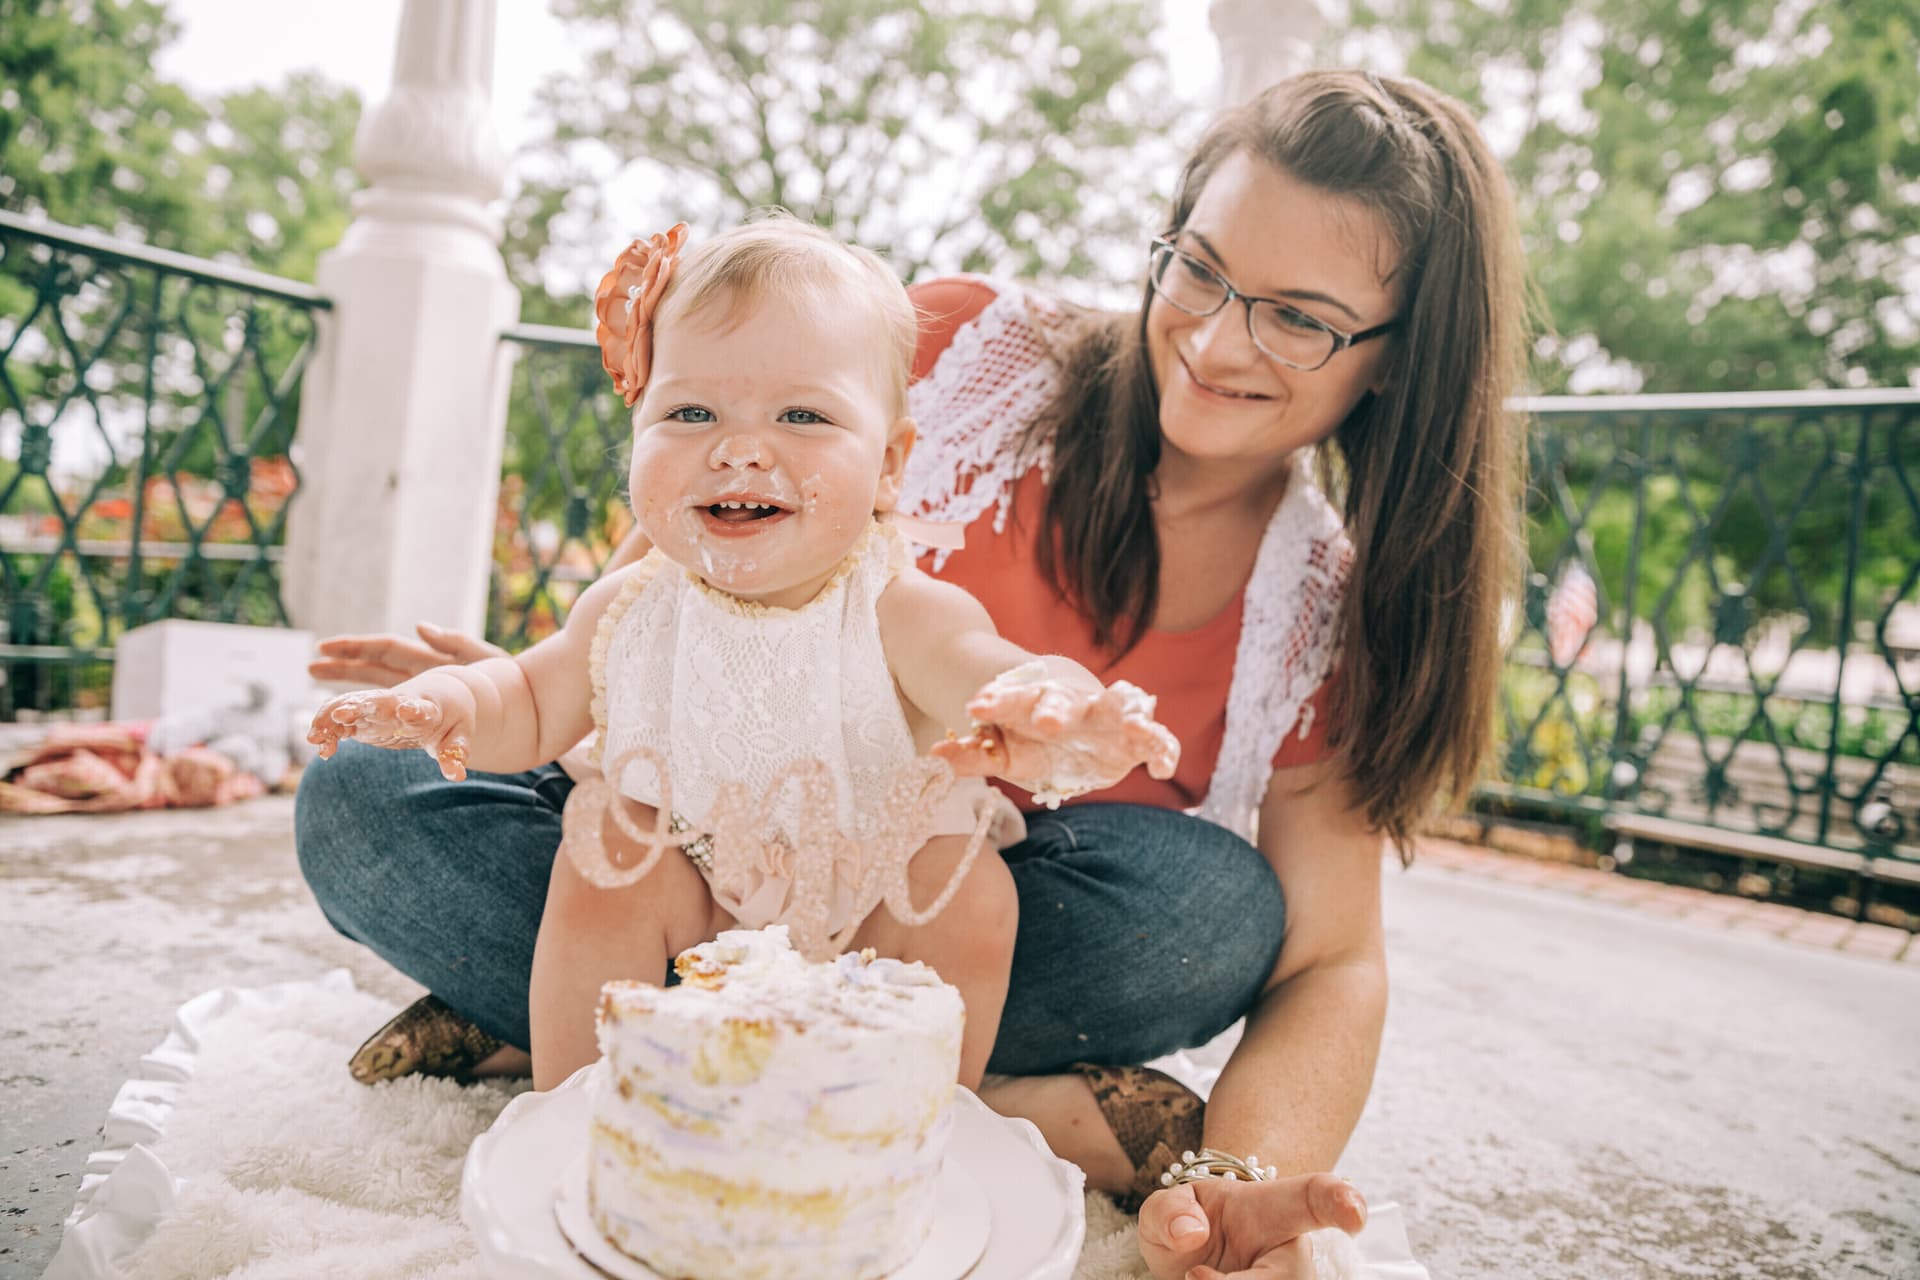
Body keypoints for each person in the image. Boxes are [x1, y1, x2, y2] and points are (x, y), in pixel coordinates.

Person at [297, 69, 1527, 1280]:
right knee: (364, 792)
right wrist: (495, 700)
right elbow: (663, 595)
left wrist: (1234, 1189)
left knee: (1210, 910)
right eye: (1199, 268)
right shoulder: (956, 347)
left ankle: (624, 1034)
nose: (1213, 339)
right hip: (678, 852)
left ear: (1399, 358)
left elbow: (1331, 961)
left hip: (935, 917)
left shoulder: (1321, 605)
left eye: (1300, 316)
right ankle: (1010, 1106)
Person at [304, 216, 1181, 1093]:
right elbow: (530, 701)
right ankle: (580, 1106)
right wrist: (451, 704)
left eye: (803, 415)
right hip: (693, 896)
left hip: (878, 905)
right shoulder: (632, 603)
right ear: (635, 438)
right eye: (690, 413)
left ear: (888, 466)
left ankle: (905, 1121)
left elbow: (987, 667)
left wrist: (1053, 703)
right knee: (609, 847)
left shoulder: (897, 608)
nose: (740, 448)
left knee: (970, 888)